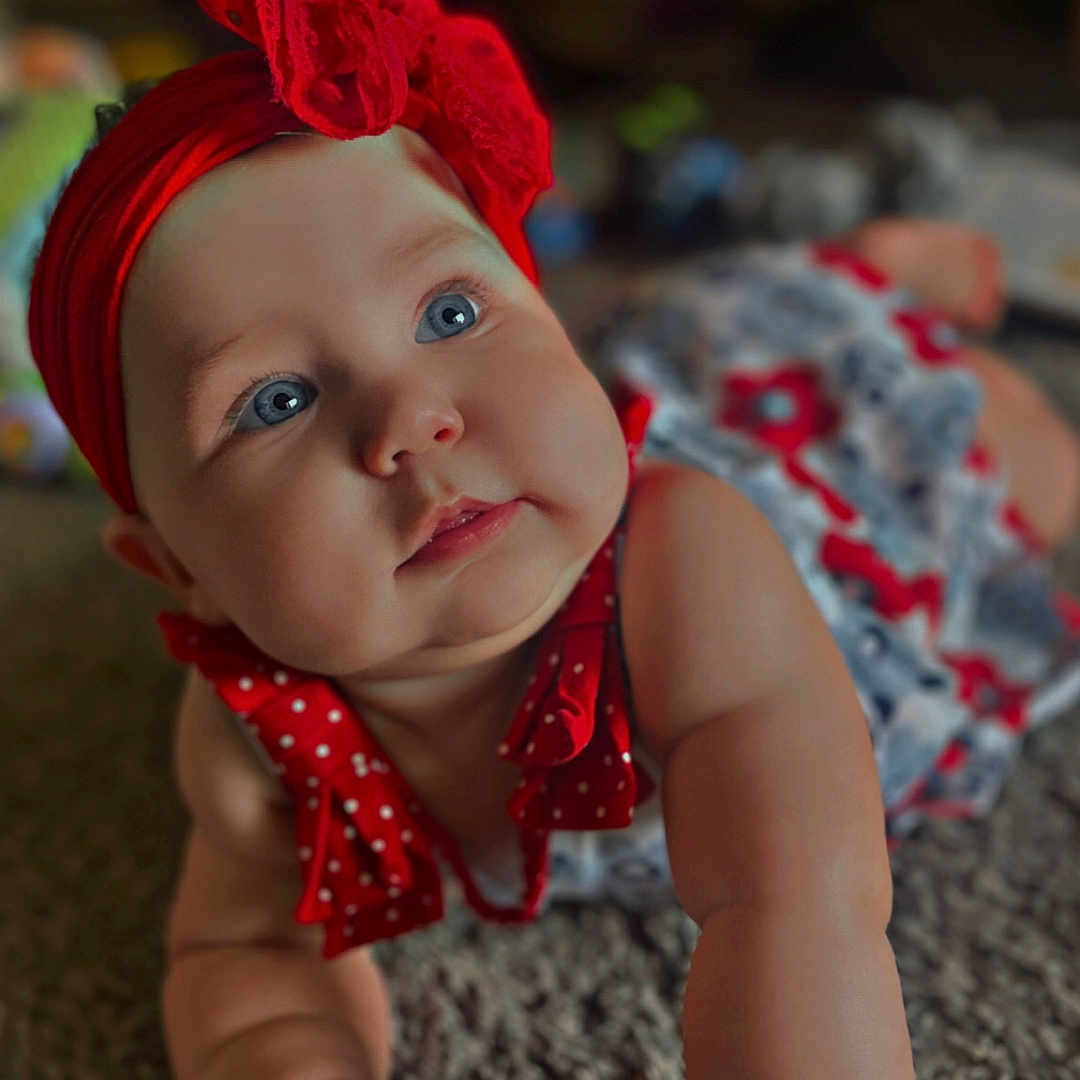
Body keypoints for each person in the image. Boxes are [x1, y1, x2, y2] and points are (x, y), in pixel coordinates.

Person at [24, 1, 1080, 1077]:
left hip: (832, 481)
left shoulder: (689, 561)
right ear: (179, 570)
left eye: (449, 314)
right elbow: (241, 948)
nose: (411, 421)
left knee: (1016, 457)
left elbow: (791, 896)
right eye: (277, 399)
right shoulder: (260, 728)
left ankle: (863, 270)